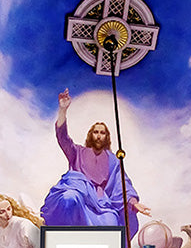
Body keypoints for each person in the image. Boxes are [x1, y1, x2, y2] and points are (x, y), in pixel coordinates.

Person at [40, 88, 150, 233]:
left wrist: (133, 202)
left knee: (112, 224)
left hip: (102, 205)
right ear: (91, 135)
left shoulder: (113, 160)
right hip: (80, 196)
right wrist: (63, 110)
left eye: (102, 133)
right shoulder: (78, 152)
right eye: (96, 132)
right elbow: (63, 138)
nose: (98, 135)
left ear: (106, 137)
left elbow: (122, 184)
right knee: (69, 198)